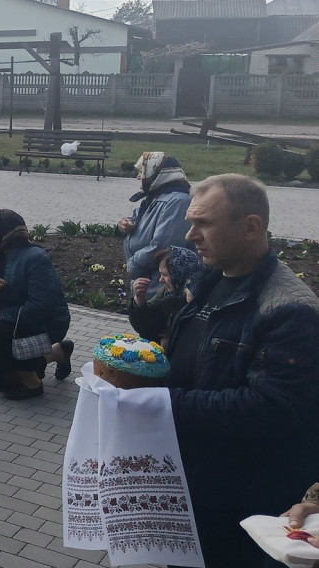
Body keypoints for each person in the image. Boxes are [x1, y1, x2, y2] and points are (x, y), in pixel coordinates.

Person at [165, 174, 319, 567]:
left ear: (251, 226)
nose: (190, 236)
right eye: (190, 222)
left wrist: (161, 403)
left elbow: (271, 408)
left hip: (242, 499)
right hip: (194, 479)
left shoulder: (290, 309)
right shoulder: (211, 280)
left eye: (204, 223)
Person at [0, 209, 72, 399]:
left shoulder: (35, 258)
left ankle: (33, 385)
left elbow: (41, 305)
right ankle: (58, 352)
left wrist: (2, 315)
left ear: (5, 233)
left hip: (45, 322)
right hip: (15, 318)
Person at [117, 152, 192, 299]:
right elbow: (135, 218)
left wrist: (132, 264)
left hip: (161, 287)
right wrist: (122, 225)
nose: (138, 176)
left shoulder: (178, 201)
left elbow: (164, 246)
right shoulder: (156, 196)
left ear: (158, 173)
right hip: (147, 283)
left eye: (142, 171)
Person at [126, 245, 201, 344]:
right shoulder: (166, 293)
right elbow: (147, 327)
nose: (160, 280)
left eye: (165, 275)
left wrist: (171, 341)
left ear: (179, 274)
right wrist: (139, 300)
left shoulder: (198, 301)